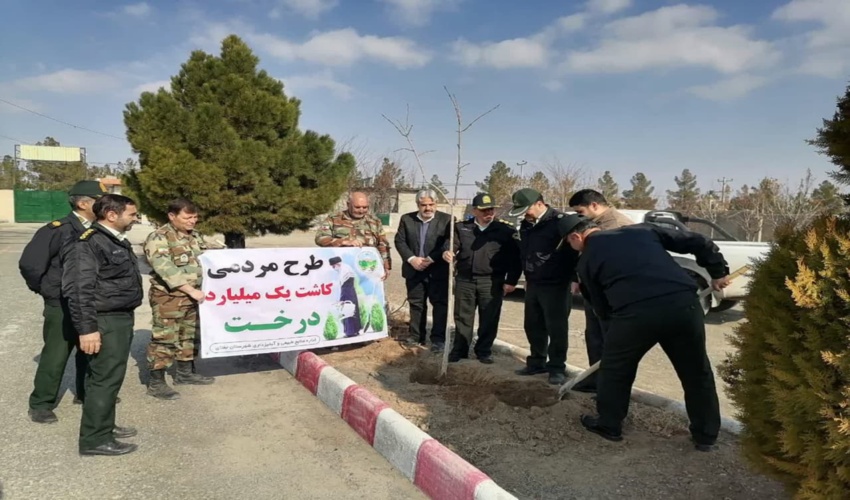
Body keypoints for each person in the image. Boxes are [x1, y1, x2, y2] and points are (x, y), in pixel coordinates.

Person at [557, 213, 730, 451]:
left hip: (635, 316)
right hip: (684, 306)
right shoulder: (642, 230)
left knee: (615, 369)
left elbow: (600, 307)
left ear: (576, 236)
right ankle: (706, 435)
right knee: (696, 372)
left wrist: (614, 339)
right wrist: (718, 271)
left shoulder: (586, 261)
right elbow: (699, 241)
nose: (571, 247)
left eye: (569, 243)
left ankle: (609, 425)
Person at [19, 180, 108, 424]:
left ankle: (84, 392)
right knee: (56, 354)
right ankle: (41, 403)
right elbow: (30, 265)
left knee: (89, 350)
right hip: (62, 304)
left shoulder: (100, 229)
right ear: (83, 203)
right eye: (99, 201)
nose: (105, 205)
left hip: (90, 303)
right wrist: (49, 291)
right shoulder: (57, 229)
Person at [62, 194, 143, 456]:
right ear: (111, 215)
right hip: (105, 320)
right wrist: (87, 329)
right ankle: (95, 439)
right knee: (104, 379)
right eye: (131, 214)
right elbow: (79, 291)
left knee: (107, 376)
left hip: (120, 317)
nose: (135, 218)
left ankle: (104, 426)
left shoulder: (112, 240)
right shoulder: (88, 244)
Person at [143, 198, 214, 401]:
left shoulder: (196, 236)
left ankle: (185, 373)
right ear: (172, 216)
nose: (192, 221)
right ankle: (156, 382)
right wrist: (190, 290)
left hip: (195, 296)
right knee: (165, 338)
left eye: (195, 217)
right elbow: (165, 269)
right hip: (169, 297)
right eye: (187, 217)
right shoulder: (159, 237)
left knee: (189, 335)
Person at [508, 188, 579, 385]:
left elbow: (574, 252)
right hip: (534, 282)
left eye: (526, 209)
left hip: (556, 284)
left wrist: (574, 278)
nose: (524, 214)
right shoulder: (527, 224)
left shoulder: (559, 222)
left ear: (539, 203)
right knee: (533, 325)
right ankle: (536, 362)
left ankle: (556, 367)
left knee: (556, 328)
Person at [567, 189, 636, 393]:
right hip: (594, 291)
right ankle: (595, 380)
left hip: (610, 295)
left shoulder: (616, 225)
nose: (580, 216)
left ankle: (611, 388)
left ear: (594, 206)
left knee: (610, 341)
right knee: (594, 337)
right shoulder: (595, 225)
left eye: (581, 211)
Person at [442, 193, 521, 363]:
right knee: (463, 317)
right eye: (484, 210)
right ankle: (460, 350)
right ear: (474, 210)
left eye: (491, 209)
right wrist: (447, 251)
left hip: (492, 281)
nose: (489, 213)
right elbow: (451, 244)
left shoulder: (505, 230)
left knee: (489, 318)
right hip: (465, 280)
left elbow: (515, 258)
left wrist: (511, 281)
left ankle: (483, 351)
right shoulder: (461, 227)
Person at [394, 189, 453, 353]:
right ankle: (416, 336)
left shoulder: (447, 220)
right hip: (414, 270)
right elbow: (400, 241)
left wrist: (431, 258)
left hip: (437, 271)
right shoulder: (407, 219)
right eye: (424, 205)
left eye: (431, 204)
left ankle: (438, 340)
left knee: (440, 306)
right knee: (416, 304)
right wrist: (412, 259)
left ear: (436, 204)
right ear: (418, 205)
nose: (428, 208)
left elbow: (449, 243)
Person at [315, 191, 392, 281]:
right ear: (348, 204)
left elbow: (382, 245)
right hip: (341, 270)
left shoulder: (374, 222)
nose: (361, 210)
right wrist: (342, 242)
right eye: (357, 207)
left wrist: (386, 266)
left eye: (365, 207)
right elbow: (320, 238)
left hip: (367, 270)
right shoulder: (334, 219)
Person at [329, 256, 362, 337]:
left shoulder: (344, 271)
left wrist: (342, 298)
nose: (334, 268)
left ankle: (350, 332)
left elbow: (345, 286)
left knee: (348, 311)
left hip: (347, 294)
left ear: (338, 265)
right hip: (351, 293)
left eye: (334, 266)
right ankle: (354, 330)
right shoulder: (346, 268)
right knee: (351, 311)